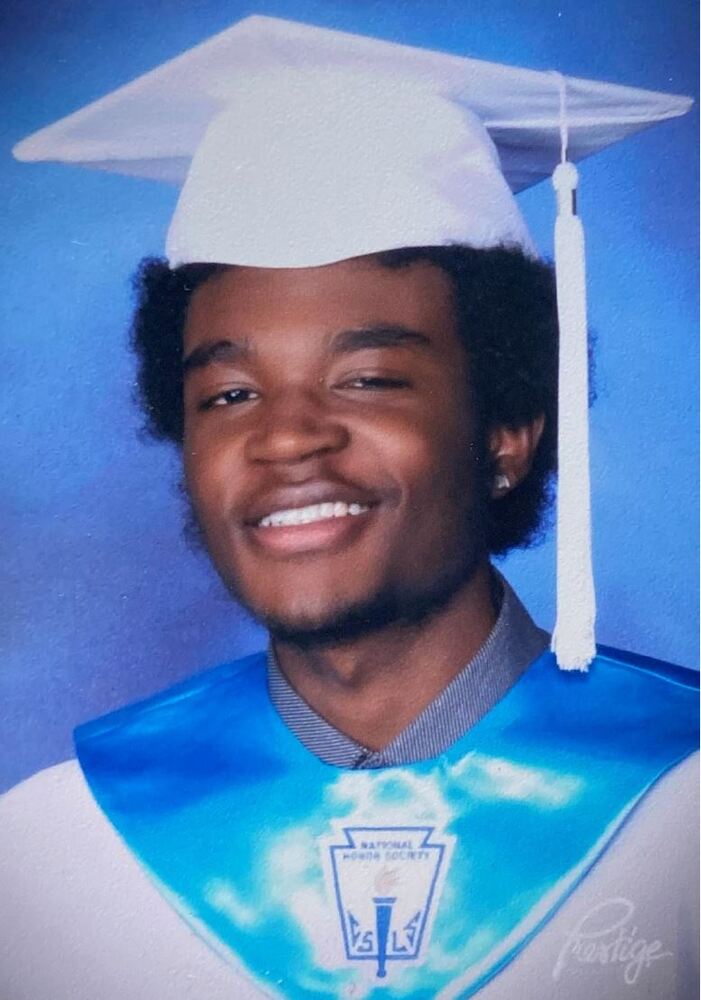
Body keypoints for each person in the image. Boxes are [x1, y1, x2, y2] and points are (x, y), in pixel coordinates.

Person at [1, 15, 697, 1000]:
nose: (285, 438)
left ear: (505, 429)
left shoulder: (679, 806)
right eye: (229, 394)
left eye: (367, 378)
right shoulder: (50, 854)